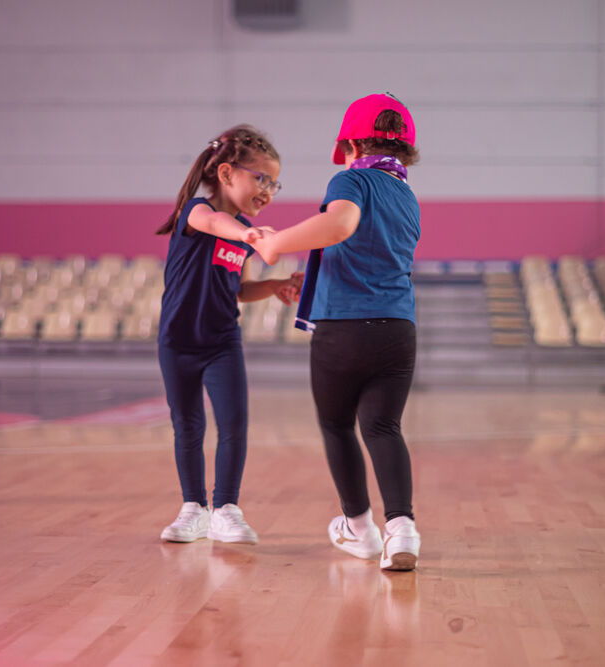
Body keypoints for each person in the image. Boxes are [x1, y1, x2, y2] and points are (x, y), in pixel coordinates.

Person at [253, 93, 422, 571]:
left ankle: (360, 528)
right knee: (383, 426)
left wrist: (277, 245)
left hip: (344, 326)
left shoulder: (350, 179)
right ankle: (402, 527)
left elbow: (341, 223)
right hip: (397, 328)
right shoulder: (408, 196)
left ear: (350, 144)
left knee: (336, 424)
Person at [156, 124, 302, 544]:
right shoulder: (196, 214)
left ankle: (227, 510)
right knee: (188, 425)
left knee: (234, 423)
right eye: (261, 179)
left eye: (275, 184)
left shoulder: (240, 236)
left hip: (222, 343)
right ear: (225, 174)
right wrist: (247, 234)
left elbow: (238, 289)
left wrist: (274, 287)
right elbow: (215, 221)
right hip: (178, 343)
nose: (269, 191)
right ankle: (192, 509)